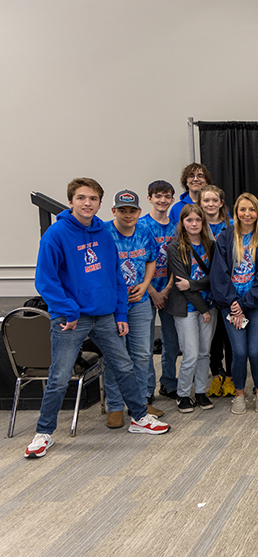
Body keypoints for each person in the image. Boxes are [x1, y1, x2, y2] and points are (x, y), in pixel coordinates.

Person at [26, 178, 169, 458]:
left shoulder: (103, 234)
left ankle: (139, 418)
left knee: (124, 366)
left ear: (100, 204)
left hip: (105, 316)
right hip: (71, 319)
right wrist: (67, 309)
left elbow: (115, 276)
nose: (87, 203)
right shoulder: (56, 234)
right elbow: (45, 279)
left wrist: (119, 312)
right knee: (58, 376)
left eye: (93, 199)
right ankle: (43, 433)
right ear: (70, 202)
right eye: (81, 198)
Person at [210, 193, 258, 415]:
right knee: (238, 352)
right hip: (230, 304)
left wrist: (245, 303)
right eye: (242, 209)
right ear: (235, 212)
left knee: (255, 351)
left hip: (255, 303)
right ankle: (239, 394)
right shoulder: (225, 237)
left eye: (251, 209)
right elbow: (219, 275)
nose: (247, 214)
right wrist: (233, 303)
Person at [103, 190, 162, 428]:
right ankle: (115, 406)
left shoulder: (145, 231)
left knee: (142, 354)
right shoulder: (104, 233)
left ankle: (139, 403)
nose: (127, 215)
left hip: (139, 302)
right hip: (111, 304)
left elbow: (151, 260)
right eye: (122, 210)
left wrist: (146, 285)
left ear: (139, 212)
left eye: (131, 210)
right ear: (114, 211)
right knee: (115, 356)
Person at [166, 205, 217, 413]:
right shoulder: (175, 248)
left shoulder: (211, 246)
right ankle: (183, 394)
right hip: (187, 308)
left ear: (203, 223)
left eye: (198, 220)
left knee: (205, 352)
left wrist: (194, 284)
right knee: (191, 354)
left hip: (209, 305)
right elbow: (181, 284)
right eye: (189, 220)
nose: (194, 224)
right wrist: (203, 308)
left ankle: (201, 391)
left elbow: (214, 278)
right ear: (183, 223)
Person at [138, 180, 180, 402]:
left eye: (167, 196)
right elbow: (138, 261)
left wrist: (168, 288)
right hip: (146, 291)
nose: (162, 200)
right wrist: (153, 291)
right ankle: (146, 388)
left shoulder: (176, 226)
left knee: (171, 341)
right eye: (158, 196)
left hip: (171, 290)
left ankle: (169, 383)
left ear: (172, 200)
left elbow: (180, 261)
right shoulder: (141, 226)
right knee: (145, 344)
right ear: (150, 198)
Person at [199, 185, 234, 397]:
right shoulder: (195, 224)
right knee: (212, 338)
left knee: (230, 336)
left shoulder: (231, 225)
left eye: (214, 200)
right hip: (205, 290)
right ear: (200, 203)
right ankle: (215, 375)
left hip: (228, 287)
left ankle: (230, 377)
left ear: (221, 203)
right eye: (206, 201)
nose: (210, 204)